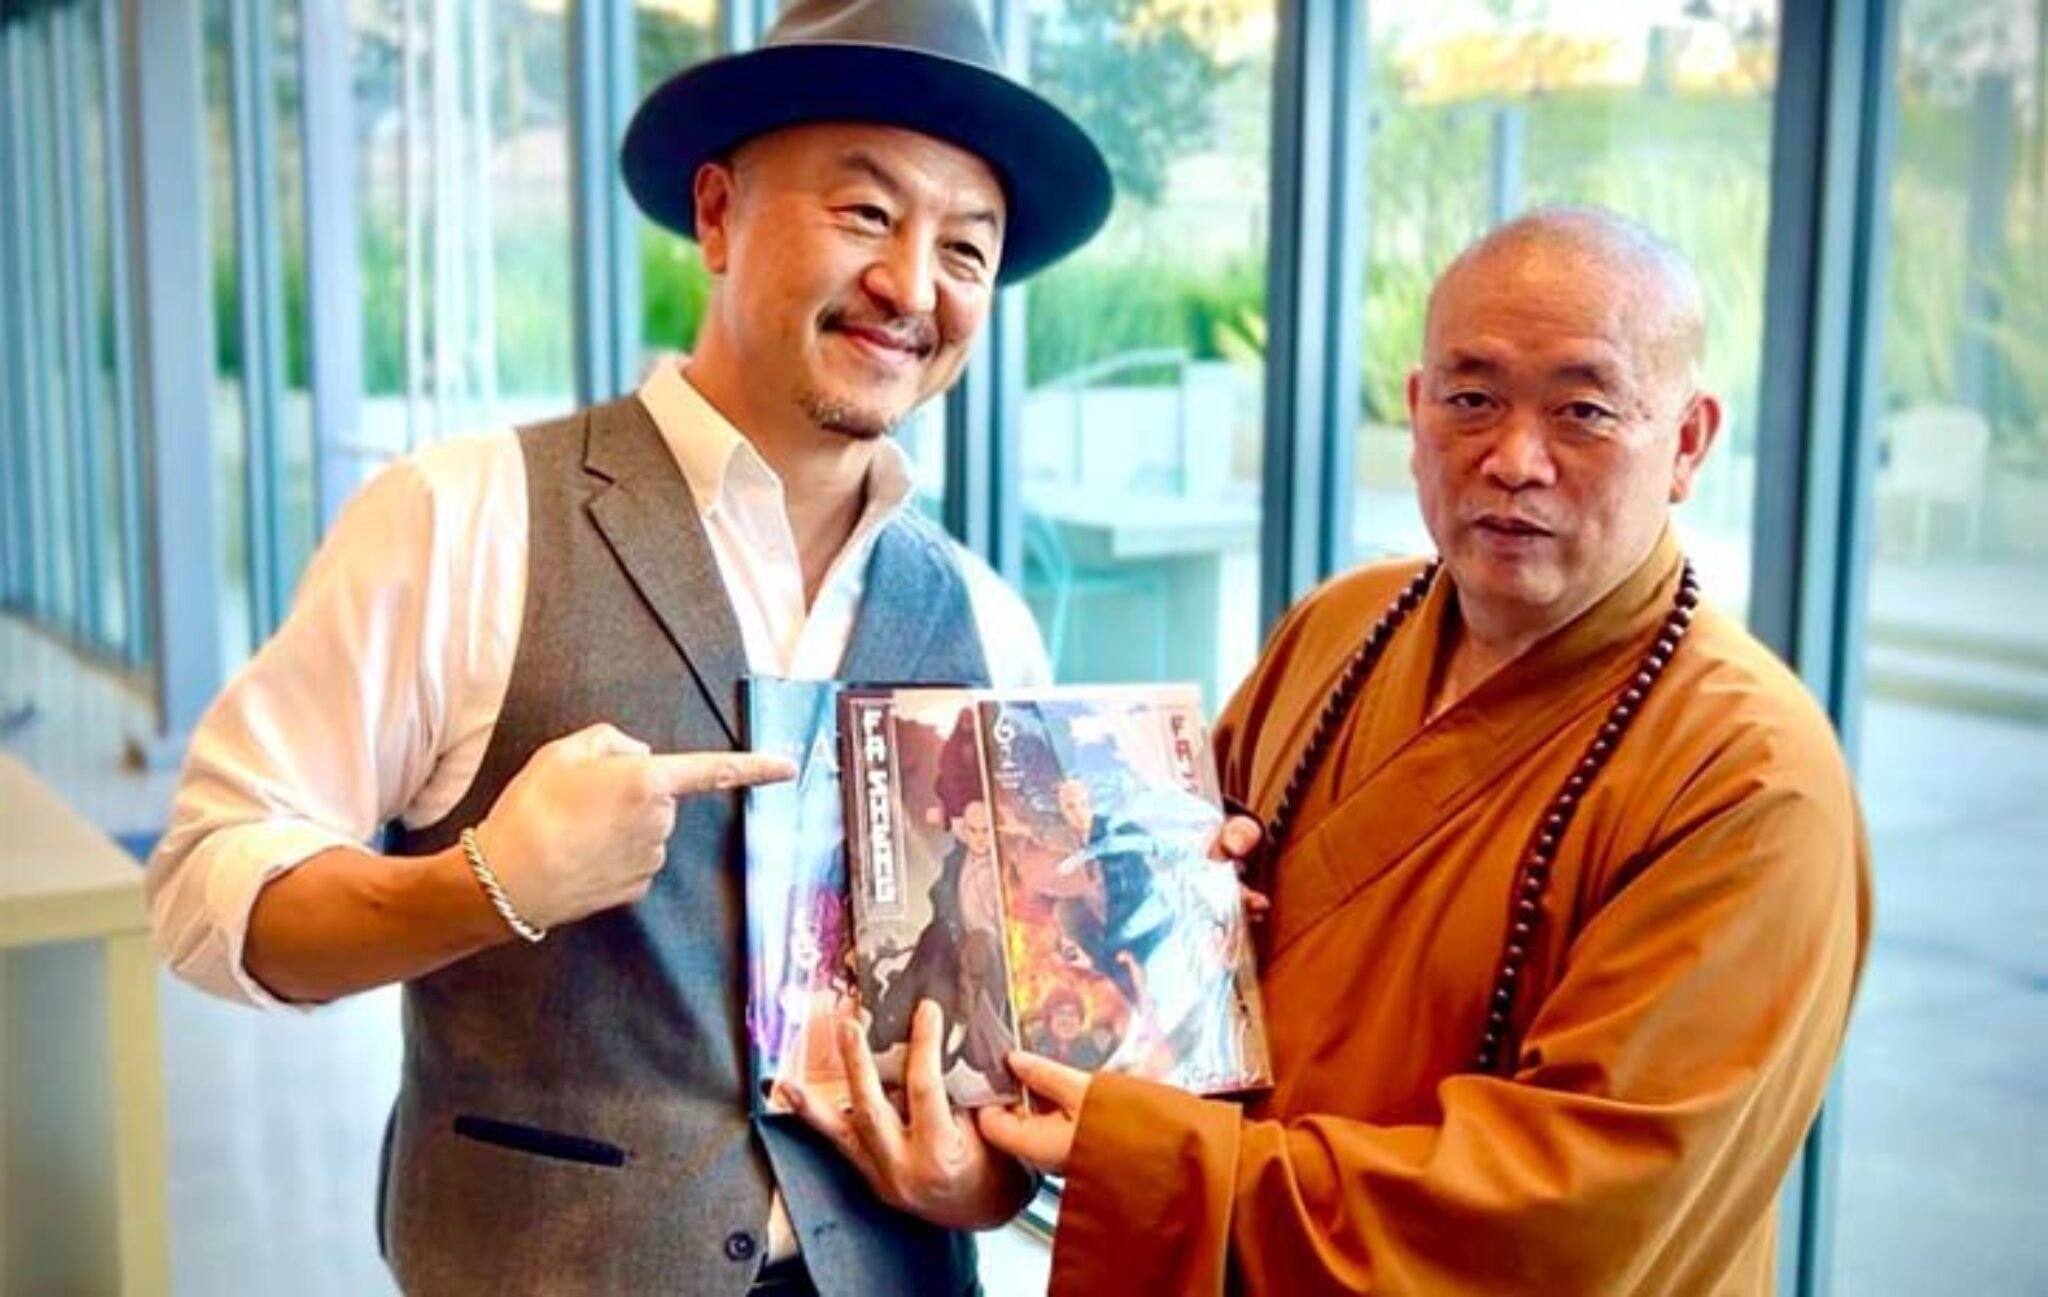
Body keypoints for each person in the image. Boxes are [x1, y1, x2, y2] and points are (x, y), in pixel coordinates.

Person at [145, 1, 1112, 1293]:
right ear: (716, 214)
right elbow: (209, 888)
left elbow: (1003, 1071)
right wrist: (482, 881)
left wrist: (975, 1176)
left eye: (968, 250)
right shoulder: (464, 517)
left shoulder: (991, 622)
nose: (911, 285)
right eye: (868, 214)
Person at [978, 207, 1873, 1295]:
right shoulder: (1339, 626)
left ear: (1685, 441)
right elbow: (1169, 957)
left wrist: (1140, 1157)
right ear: (1413, 413)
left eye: (1582, 410)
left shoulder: (1747, 778)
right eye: (1469, 398)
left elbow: (1567, 1214)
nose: (1512, 458)